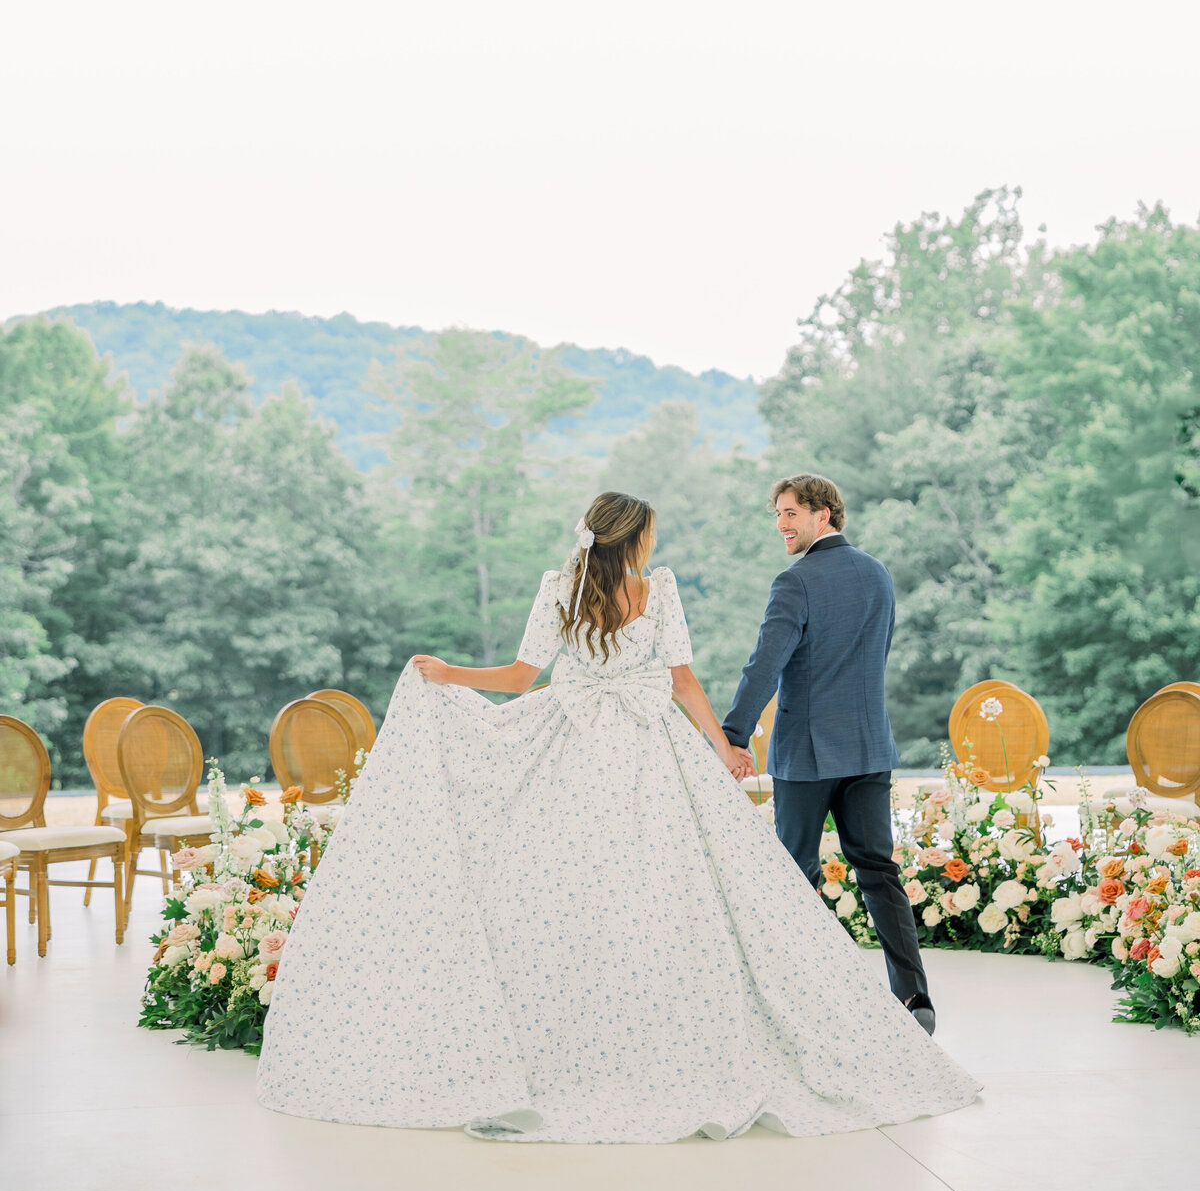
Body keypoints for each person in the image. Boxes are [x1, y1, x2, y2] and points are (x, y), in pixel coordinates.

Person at [258, 490, 977, 1141]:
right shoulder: (655, 592)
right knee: (664, 891)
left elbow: (517, 680)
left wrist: (449, 674)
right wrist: (721, 745)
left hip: (574, 749)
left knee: (561, 889)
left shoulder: (561, 590)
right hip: (650, 751)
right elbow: (682, 679)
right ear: (634, 541)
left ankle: (571, 1042)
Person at [722, 473, 936, 1032]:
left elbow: (764, 665)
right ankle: (915, 999)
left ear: (824, 515)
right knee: (878, 871)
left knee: (794, 876)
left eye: (791, 513)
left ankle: (806, 1003)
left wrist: (734, 735)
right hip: (869, 747)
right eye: (776, 514)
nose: (781, 525)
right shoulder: (877, 574)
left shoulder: (795, 582)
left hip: (807, 752)